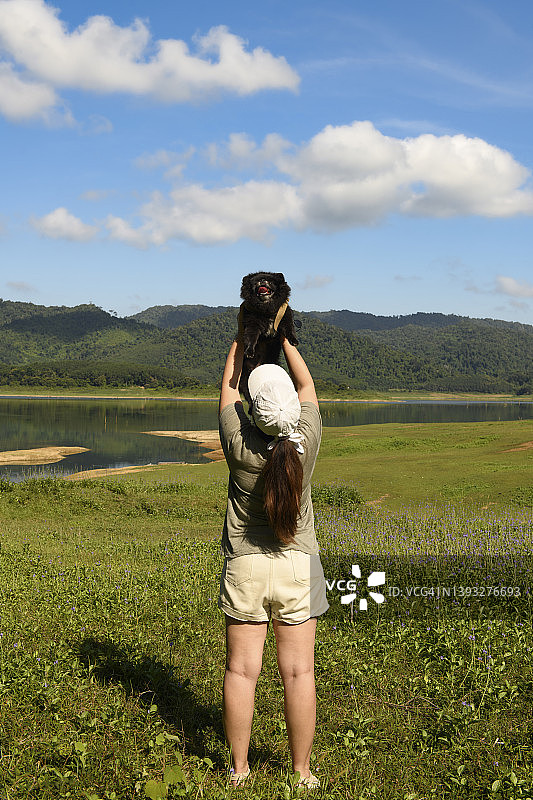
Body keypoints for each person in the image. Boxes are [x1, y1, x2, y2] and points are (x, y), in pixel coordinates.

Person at [217, 322, 329, 790]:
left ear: (254, 410)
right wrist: (285, 340)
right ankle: (301, 773)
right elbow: (306, 386)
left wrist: (243, 340)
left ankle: (239, 771)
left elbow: (226, 391)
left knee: (242, 672)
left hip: (245, 565)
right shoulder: (306, 442)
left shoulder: (240, 446)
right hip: (298, 566)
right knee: (299, 672)